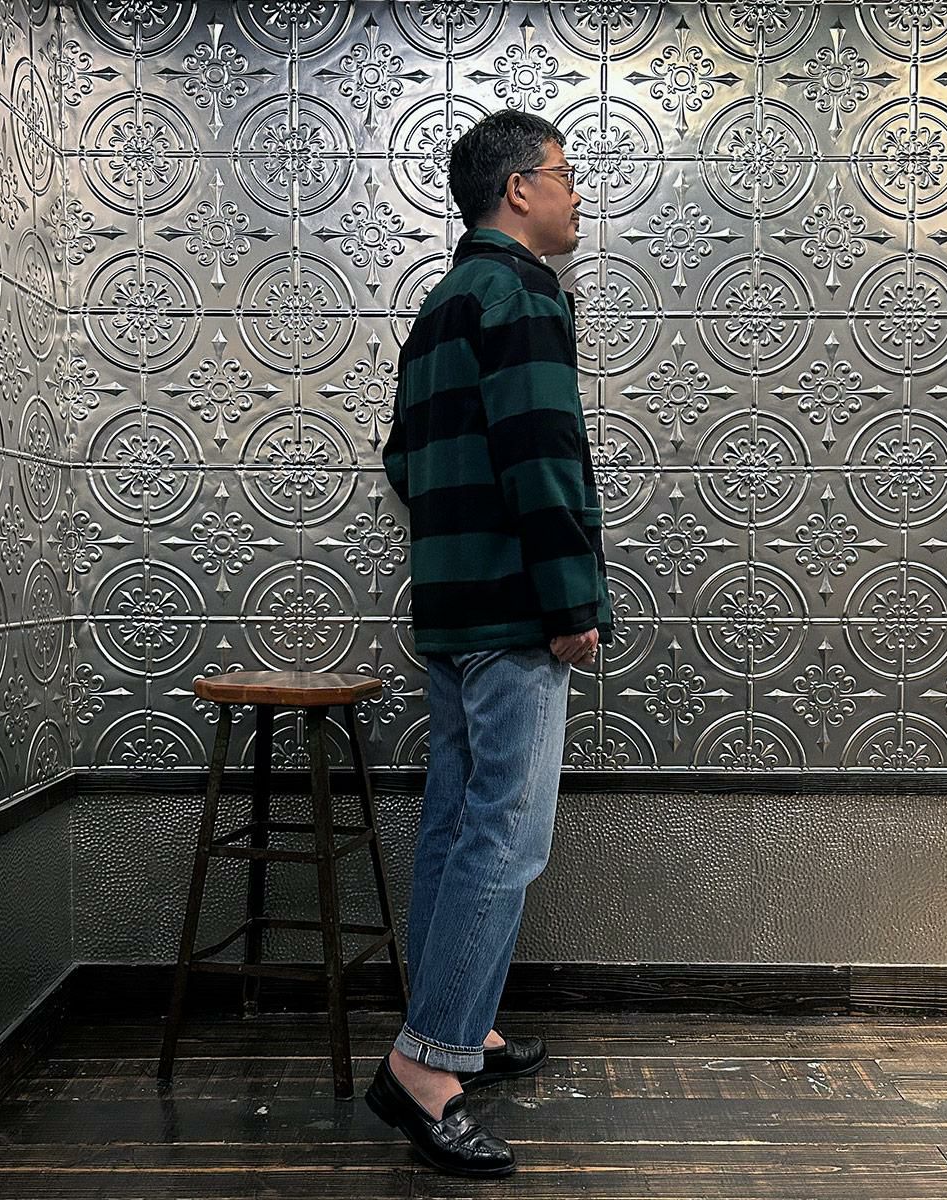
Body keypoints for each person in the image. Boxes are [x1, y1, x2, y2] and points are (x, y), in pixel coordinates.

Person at [367, 110, 611, 1177]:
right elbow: (541, 453)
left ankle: (464, 1025)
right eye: (564, 174)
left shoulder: (441, 303)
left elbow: (402, 459)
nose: (575, 193)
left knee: (457, 825)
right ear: (519, 188)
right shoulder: (522, 293)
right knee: (507, 836)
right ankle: (425, 1068)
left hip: (453, 611)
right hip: (515, 612)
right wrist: (569, 601)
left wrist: (458, 543)